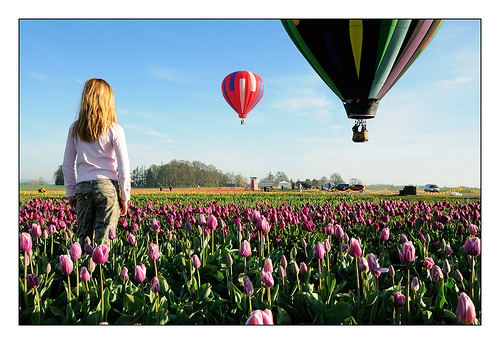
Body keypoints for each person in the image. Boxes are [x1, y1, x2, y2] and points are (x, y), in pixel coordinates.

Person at [62, 78, 131, 249]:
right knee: (104, 243)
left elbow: (67, 164)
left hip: (83, 188)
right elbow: (123, 167)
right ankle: (102, 274)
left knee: (83, 240)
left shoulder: (75, 129)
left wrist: (71, 191)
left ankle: (84, 272)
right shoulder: (115, 129)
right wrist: (125, 196)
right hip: (107, 188)